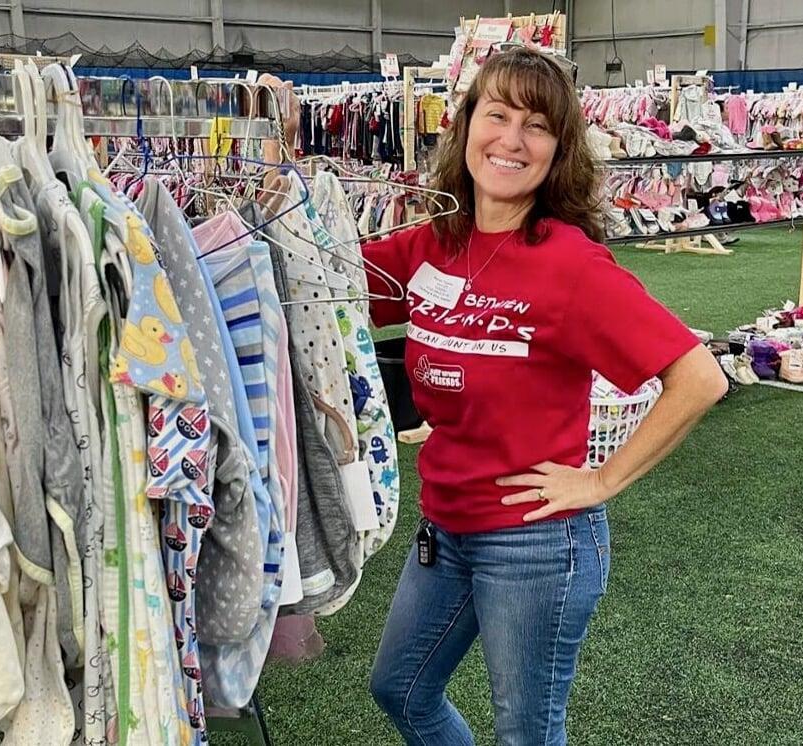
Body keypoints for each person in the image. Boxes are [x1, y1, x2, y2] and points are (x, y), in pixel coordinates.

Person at [268, 50, 726, 744]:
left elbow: (700, 378)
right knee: (402, 689)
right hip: (444, 530)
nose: (512, 140)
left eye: (536, 126)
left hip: (536, 543)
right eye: (499, 115)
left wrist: (600, 481)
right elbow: (318, 293)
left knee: (526, 733)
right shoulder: (432, 245)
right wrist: (271, 161)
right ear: (467, 126)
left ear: (558, 151)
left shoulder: (569, 264)